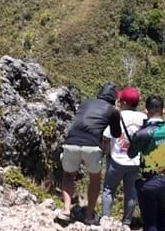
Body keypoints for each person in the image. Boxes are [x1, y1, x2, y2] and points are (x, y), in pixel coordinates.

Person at [56, 83, 122, 226]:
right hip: (92, 145)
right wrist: (116, 112)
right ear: (114, 99)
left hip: (71, 141)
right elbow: (117, 133)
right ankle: (89, 215)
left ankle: (66, 210)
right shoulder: (112, 110)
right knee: (95, 178)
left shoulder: (85, 103)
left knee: (68, 175)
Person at [129, 95, 165, 231]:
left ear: (146, 111)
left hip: (148, 183)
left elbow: (131, 154)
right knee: (162, 215)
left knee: (150, 222)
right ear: (163, 110)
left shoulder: (141, 134)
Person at [101, 87, 148, 226]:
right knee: (131, 192)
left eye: (121, 100)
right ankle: (126, 223)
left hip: (116, 159)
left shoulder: (117, 115)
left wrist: (108, 154)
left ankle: (105, 220)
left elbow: (106, 137)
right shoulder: (144, 118)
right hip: (134, 161)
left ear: (124, 102)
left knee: (109, 190)